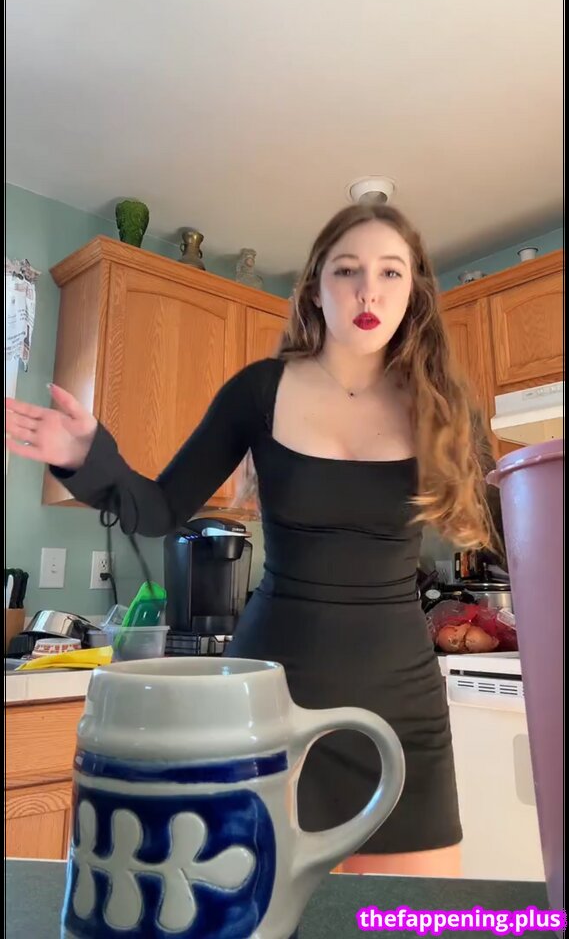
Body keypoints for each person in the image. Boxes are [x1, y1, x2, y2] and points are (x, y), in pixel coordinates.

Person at [5, 202, 501, 878]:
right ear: (315, 288)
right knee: (257, 909)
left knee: (407, 919)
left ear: (413, 292)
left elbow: (513, 524)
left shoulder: (444, 405)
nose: (368, 291)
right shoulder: (259, 391)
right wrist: (89, 458)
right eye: (347, 270)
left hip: (400, 707)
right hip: (264, 698)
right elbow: (160, 509)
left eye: (391, 272)